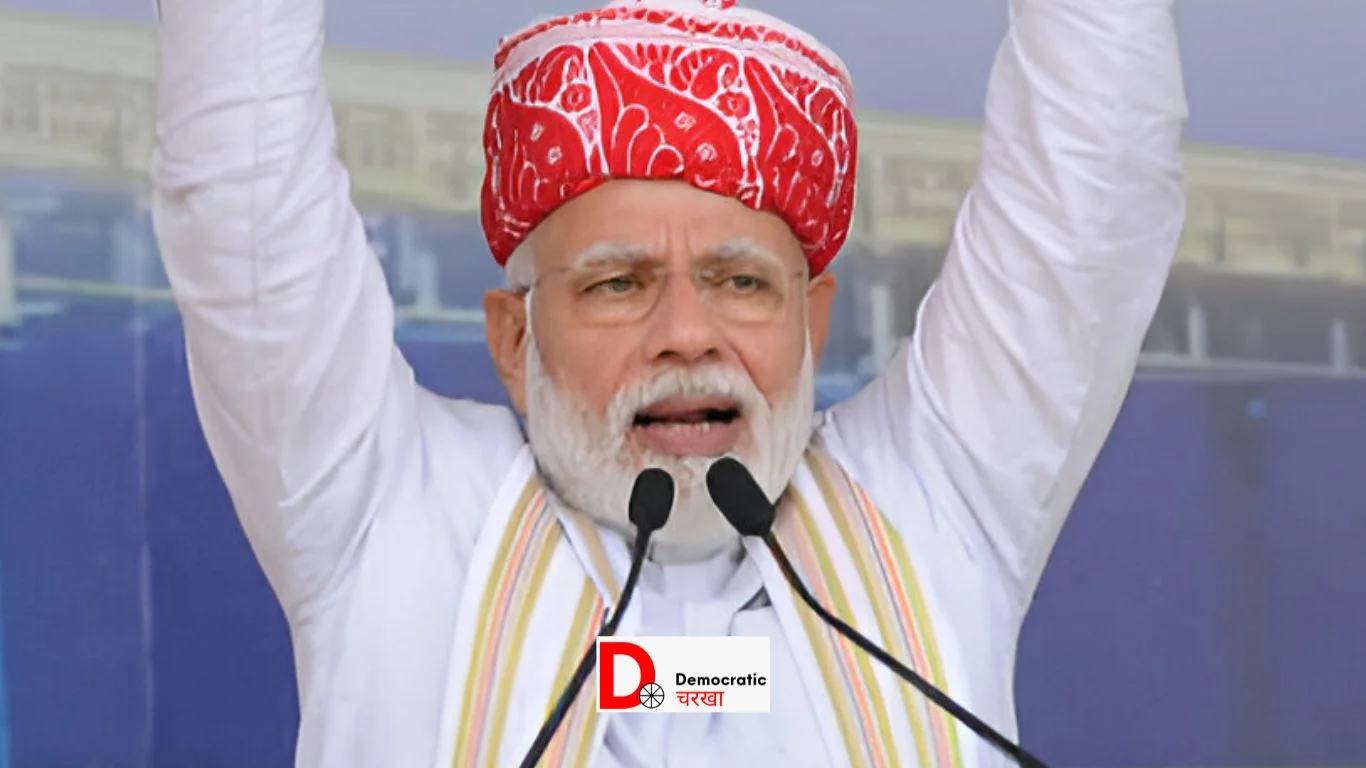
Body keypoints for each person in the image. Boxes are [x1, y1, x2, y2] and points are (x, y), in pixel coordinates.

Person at [151, 0, 1187, 765]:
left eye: (742, 282)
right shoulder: (388, 513)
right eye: (618, 284)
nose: (686, 335)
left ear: (812, 322)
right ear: (514, 339)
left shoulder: (929, 503)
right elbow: (245, 197)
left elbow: (1090, 193)